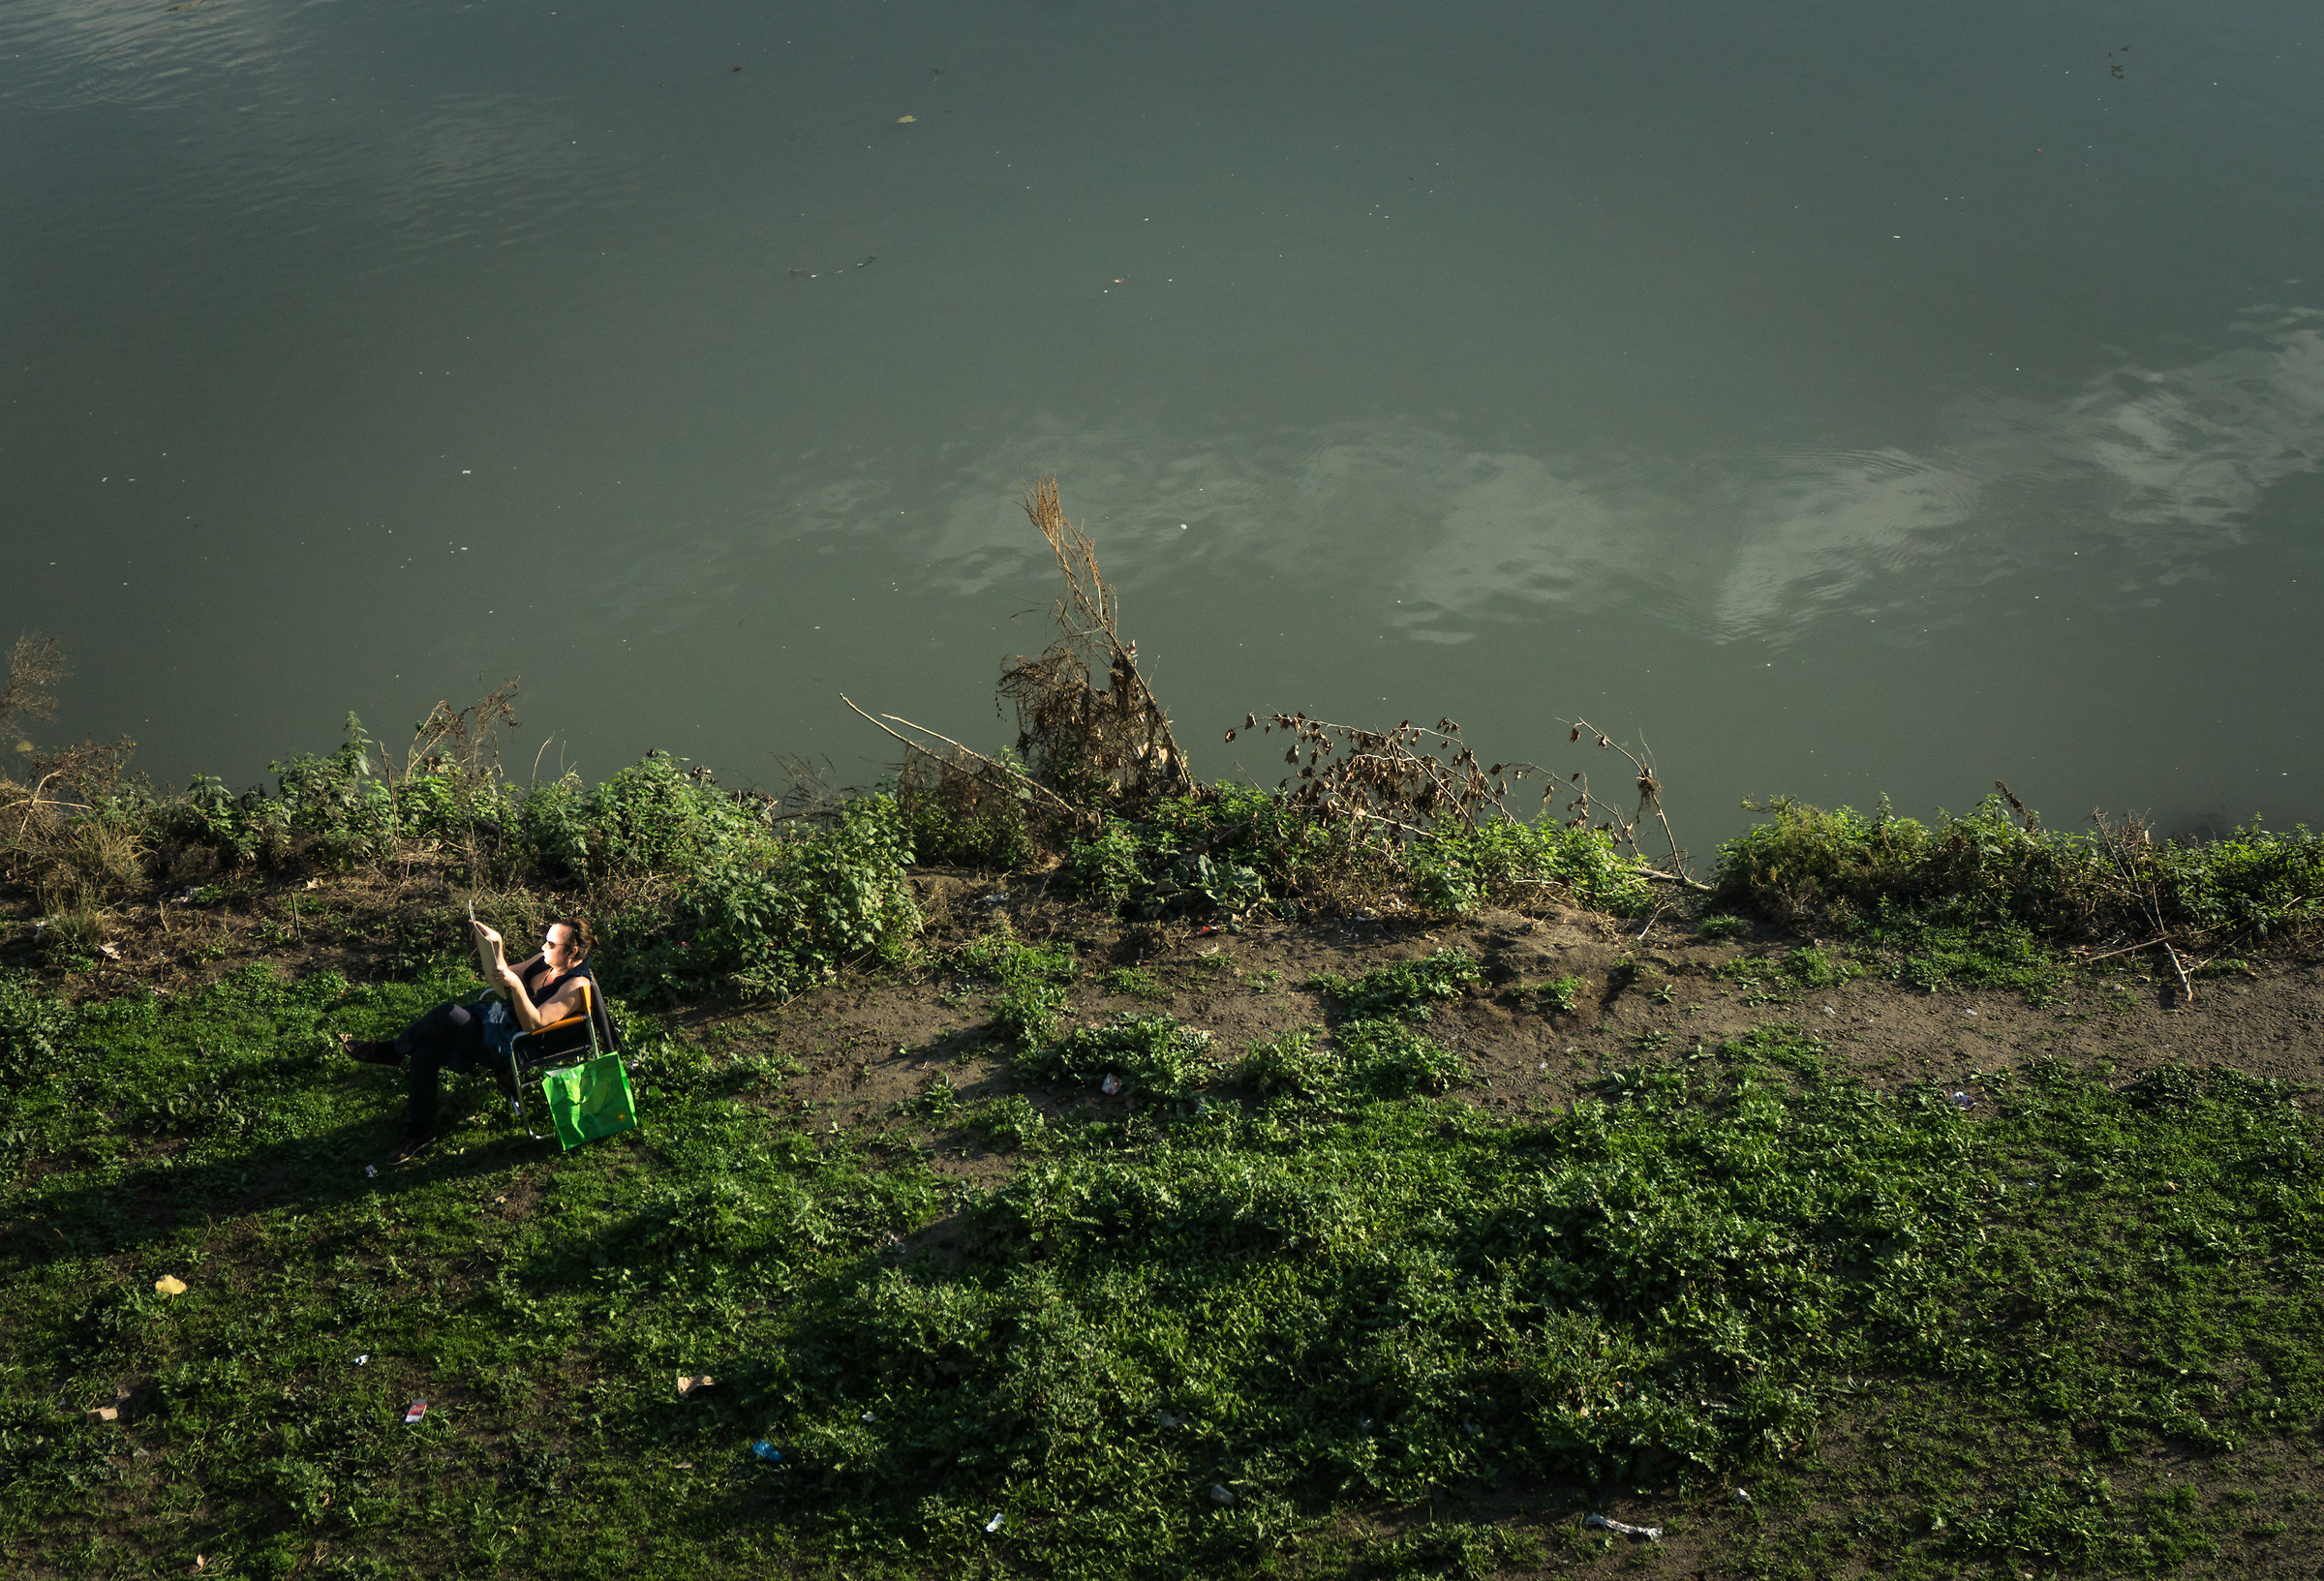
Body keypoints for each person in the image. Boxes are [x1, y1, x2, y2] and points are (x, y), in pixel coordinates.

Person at [343, 916, 596, 1161]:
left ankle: (392, 1051)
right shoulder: (545, 962)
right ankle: (420, 1131)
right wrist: (496, 946)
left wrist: (518, 988)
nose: (543, 947)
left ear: (572, 952)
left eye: (551, 944)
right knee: (424, 1054)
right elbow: (503, 975)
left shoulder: (576, 986)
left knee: (448, 1014)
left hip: (518, 1046)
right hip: (500, 1028)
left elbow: (534, 1023)